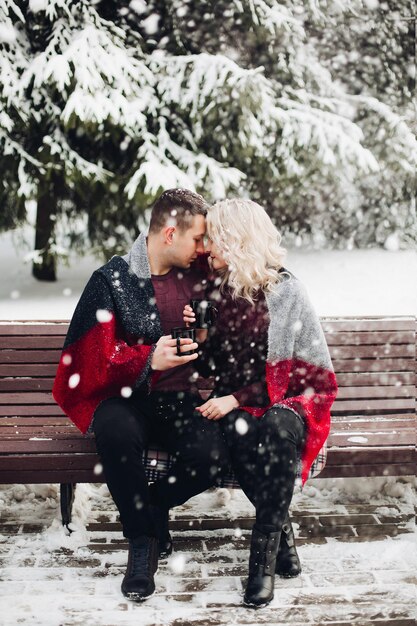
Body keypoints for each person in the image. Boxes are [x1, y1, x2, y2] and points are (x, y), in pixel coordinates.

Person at [53, 188, 230, 603]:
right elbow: (85, 361)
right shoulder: (112, 280)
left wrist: (206, 332)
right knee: (115, 434)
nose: (202, 248)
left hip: (180, 400)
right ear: (170, 234)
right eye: (196, 239)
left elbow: (224, 344)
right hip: (124, 398)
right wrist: (149, 359)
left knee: (212, 456)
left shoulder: (198, 276)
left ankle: (150, 507)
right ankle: (141, 541)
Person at [183, 198, 338, 608]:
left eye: (214, 238)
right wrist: (200, 336)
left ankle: (260, 564)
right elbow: (213, 368)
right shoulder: (214, 291)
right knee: (243, 433)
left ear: (236, 240)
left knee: (276, 428)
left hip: (292, 401)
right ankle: (282, 538)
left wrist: (237, 396)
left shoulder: (287, 292)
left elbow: (308, 376)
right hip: (239, 407)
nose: (206, 247)